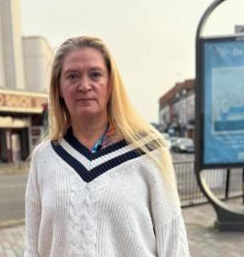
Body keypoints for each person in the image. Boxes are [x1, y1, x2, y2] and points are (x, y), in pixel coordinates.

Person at [25, 36, 190, 256]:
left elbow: (173, 244)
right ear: (59, 89)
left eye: (95, 75)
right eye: (72, 76)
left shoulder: (149, 151)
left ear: (110, 84)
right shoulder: (44, 157)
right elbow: (32, 247)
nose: (84, 86)